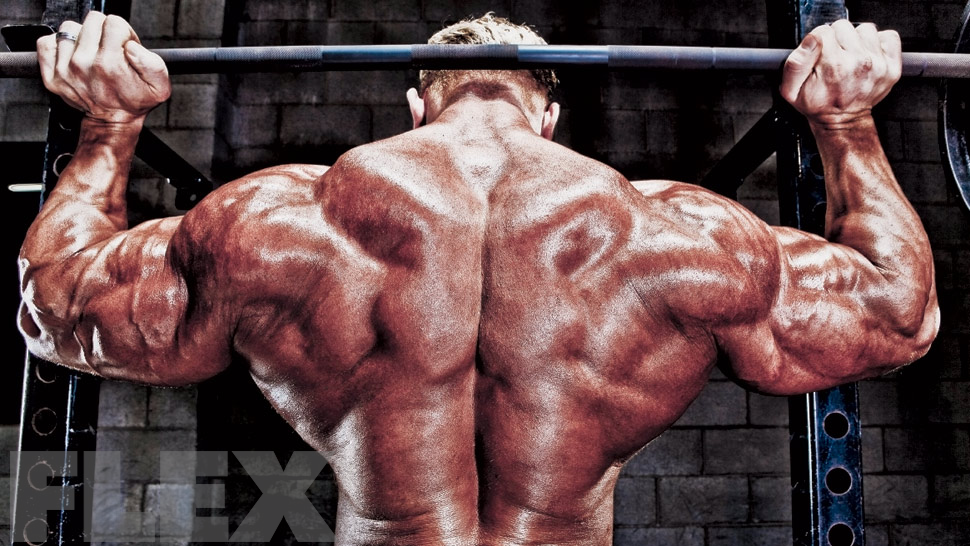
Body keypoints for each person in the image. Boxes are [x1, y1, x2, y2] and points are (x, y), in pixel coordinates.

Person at [21, 11, 938, 545]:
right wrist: (847, 123)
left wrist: (108, 127)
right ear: (548, 116)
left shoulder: (277, 225)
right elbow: (900, 317)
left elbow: (53, 307)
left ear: (418, 104)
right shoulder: (678, 237)